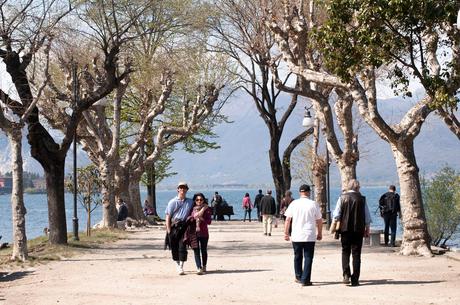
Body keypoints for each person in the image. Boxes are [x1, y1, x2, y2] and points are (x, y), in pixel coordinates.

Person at [333, 179, 371, 286]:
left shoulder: (342, 198)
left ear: (348, 187)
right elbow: (367, 216)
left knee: (345, 252)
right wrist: (367, 229)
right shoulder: (362, 199)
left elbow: (336, 214)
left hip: (345, 230)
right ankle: (355, 279)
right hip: (358, 230)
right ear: (358, 188)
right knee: (356, 254)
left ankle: (346, 274)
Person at [284, 184, 322, 286]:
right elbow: (319, 220)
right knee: (308, 257)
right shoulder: (313, 204)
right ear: (309, 192)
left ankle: (298, 276)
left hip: (296, 234)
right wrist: (320, 233)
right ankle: (305, 279)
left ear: (300, 192)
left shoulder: (294, 203)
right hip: (309, 234)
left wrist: (286, 233)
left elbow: (288, 219)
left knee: (297, 256)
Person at [165, 182, 194, 275]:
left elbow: (198, 206)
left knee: (182, 245)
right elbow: (168, 216)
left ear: (187, 190)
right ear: (178, 189)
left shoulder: (190, 202)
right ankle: (177, 264)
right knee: (174, 246)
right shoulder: (172, 202)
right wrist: (169, 229)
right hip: (174, 226)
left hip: (184, 226)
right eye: (181, 188)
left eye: (184, 188)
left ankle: (181, 265)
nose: (182, 189)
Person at [188, 193, 212, 275]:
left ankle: (204, 265)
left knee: (204, 250)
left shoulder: (207, 209)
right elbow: (193, 217)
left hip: (204, 233)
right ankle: (199, 267)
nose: (199, 201)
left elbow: (209, 222)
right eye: (197, 200)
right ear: (194, 201)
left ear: (203, 200)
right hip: (194, 232)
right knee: (196, 250)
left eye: (201, 199)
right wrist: (200, 211)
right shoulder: (192, 209)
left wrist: (202, 218)